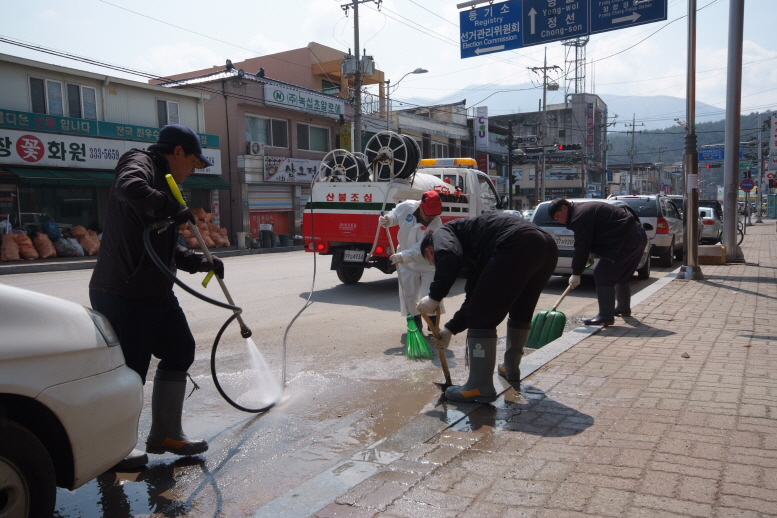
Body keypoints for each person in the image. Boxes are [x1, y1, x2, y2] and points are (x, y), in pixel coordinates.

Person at [89, 124, 224, 469]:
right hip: (124, 291)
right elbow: (128, 187)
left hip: (155, 292)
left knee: (180, 350)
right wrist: (171, 206)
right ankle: (114, 449)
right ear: (177, 152)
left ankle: (166, 433)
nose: (192, 171)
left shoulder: (165, 184)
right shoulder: (139, 164)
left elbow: (163, 245)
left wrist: (199, 262)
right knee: (130, 372)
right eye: (193, 163)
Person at [416, 211, 558, 403]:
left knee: (481, 317)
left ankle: (479, 387)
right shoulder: (475, 250)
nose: (436, 265)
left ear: (429, 252)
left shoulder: (441, 233)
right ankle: (511, 368)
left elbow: (449, 256)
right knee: (521, 308)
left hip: (515, 243)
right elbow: (474, 298)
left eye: (432, 262)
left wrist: (434, 296)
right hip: (545, 247)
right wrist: (450, 329)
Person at [547, 198, 648, 326]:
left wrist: (576, 273)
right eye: (556, 219)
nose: (559, 221)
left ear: (564, 208)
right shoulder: (582, 211)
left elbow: (581, 246)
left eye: (558, 216)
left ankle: (605, 316)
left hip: (627, 239)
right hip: (637, 235)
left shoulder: (579, 215)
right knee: (622, 275)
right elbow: (598, 233)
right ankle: (623, 308)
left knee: (602, 274)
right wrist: (592, 252)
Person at [379, 190, 445, 331]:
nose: (431, 217)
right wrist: (389, 219)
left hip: (428, 263)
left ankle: (433, 323)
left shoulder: (436, 225)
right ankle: (415, 322)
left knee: (430, 294)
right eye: (428, 213)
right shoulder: (407, 207)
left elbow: (421, 248)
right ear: (420, 206)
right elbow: (396, 215)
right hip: (406, 261)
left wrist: (403, 256)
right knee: (409, 294)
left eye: (434, 214)